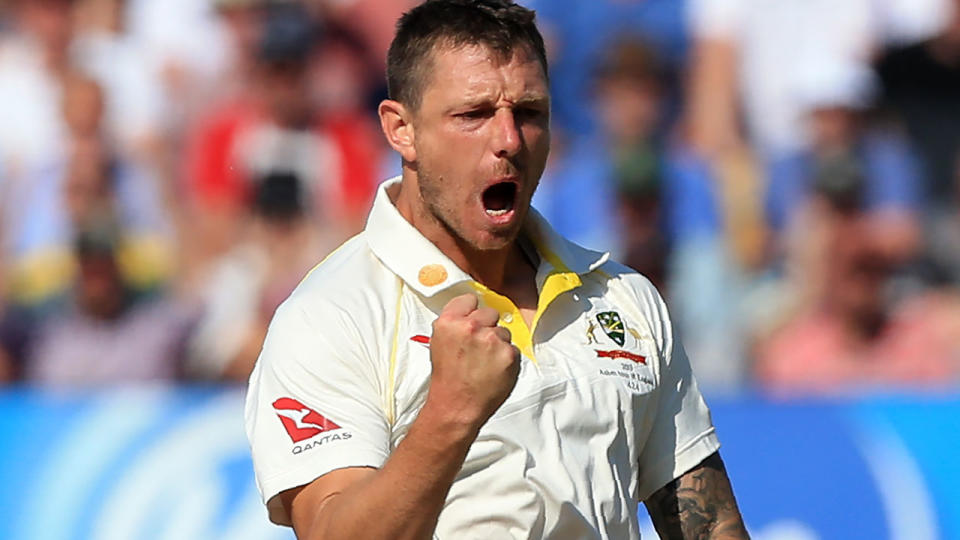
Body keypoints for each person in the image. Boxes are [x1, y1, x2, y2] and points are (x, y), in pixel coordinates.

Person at [244, 1, 748, 539]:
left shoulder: (622, 298)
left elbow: (710, 523)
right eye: (473, 114)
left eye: (529, 113)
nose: (508, 139)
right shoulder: (331, 314)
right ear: (401, 129)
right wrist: (450, 413)